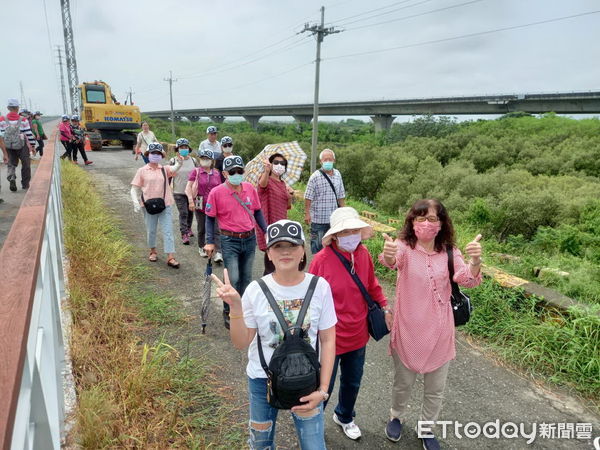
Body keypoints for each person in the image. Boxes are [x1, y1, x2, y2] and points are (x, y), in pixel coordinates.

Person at [211, 219, 337, 449]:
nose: (285, 251)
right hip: (263, 380)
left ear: (303, 251)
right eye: (278, 246)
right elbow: (241, 343)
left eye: (292, 245)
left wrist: (323, 390)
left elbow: (328, 340)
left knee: (314, 445)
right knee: (260, 444)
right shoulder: (255, 290)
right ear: (268, 254)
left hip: (307, 379)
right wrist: (236, 307)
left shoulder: (320, 287)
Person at [379, 199, 483, 449]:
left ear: (442, 222)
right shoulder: (404, 247)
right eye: (420, 217)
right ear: (412, 222)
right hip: (408, 328)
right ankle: (396, 416)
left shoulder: (449, 251)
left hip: (439, 330)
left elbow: (465, 279)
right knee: (403, 383)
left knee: (435, 388)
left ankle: (427, 428)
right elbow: (392, 261)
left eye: (432, 218)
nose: (426, 223)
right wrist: (388, 255)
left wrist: (475, 262)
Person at [309, 207, 391, 441]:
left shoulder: (363, 255)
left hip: (358, 333)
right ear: (335, 235)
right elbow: (311, 298)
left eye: (355, 230)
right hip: (329, 337)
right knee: (323, 385)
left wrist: (384, 306)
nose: (352, 235)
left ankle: (344, 416)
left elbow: (372, 285)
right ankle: (313, 424)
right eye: (346, 231)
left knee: (352, 381)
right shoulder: (321, 260)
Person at [204, 155, 268, 329]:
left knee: (247, 279)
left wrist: (267, 231)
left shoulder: (250, 189)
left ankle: (244, 310)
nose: (236, 174)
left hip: (249, 238)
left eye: (240, 171)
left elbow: (257, 212)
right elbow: (210, 219)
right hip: (229, 239)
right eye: (232, 172)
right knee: (232, 278)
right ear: (225, 173)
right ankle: (228, 311)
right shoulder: (216, 193)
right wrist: (210, 242)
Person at [130, 143, 183, 268]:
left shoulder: (165, 169)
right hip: (148, 205)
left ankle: (171, 256)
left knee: (168, 230)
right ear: (148, 155)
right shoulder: (142, 171)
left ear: (161, 156)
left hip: (165, 204)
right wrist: (135, 202)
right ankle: (153, 251)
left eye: (158, 153)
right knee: (151, 230)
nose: (155, 155)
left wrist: (180, 162)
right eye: (153, 153)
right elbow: (134, 189)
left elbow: (175, 167)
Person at [256, 153, 295, 275]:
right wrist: (266, 172)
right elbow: (262, 186)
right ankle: (266, 287)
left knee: (277, 259)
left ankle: (273, 285)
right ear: (271, 164)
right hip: (269, 224)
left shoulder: (283, 184)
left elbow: (287, 206)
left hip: (282, 224)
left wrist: (290, 195)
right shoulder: (266, 179)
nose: (279, 165)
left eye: (282, 163)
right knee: (272, 257)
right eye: (276, 163)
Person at [304, 149, 345, 255]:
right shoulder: (315, 177)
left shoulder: (337, 174)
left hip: (334, 220)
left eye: (330, 159)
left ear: (334, 160)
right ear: (321, 161)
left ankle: (329, 271)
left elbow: (341, 195)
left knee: (333, 250)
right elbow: (308, 197)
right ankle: (318, 271)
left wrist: (344, 213)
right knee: (319, 249)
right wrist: (307, 213)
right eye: (325, 159)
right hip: (319, 220)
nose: (328, 161)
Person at [185, 149, 222, 261]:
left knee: (216, 229)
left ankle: (218, 252)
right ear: (200, 160)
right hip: (200, 204)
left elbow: (220, 189)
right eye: (203, 158)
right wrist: (191, 201)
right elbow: (188, 187)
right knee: (202, 227)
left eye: (207, 159)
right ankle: (201, 246)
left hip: (214, 205)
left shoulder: (216, 173)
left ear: (212, 160)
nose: (205, 161)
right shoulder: (196, 172)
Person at [0, 99, 37, 192]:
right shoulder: (23, 119)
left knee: (11, 163)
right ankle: (25, 184)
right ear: (17, 108)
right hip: (22, 145)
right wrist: (32, 146)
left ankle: (11, 177)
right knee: (26, 164)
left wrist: (4, 151)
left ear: (8, 108)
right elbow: (29, 134)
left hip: (8, 145)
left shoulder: (2, 119)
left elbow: (1, 135)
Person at [169, 138, 198, 245]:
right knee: (183, 212)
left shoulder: (194, 161)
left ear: (188, 148)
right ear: (178, 149)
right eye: (181, 147)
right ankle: (184, 233)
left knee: (191, 212)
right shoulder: (173, 161)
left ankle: (189, 228)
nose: (184, 149)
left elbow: (198, 175)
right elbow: (169, 176)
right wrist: (167, 189)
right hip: (178, 191)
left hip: (192, 192)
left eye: (185, 147)